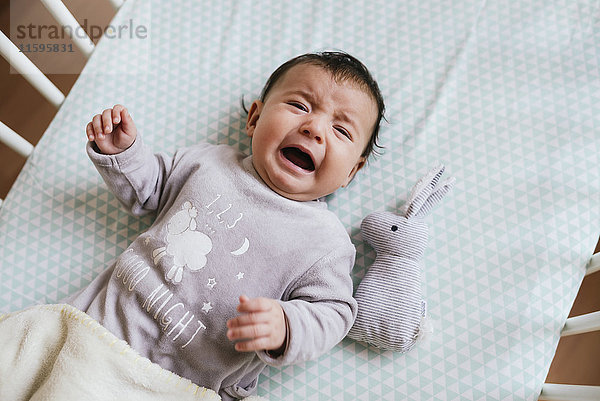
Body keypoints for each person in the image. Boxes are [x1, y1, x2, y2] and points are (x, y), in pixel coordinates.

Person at [71, 51, 385, 400]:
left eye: (341, 129)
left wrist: (287, 325)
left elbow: (334, 313)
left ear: (352, 172)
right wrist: (124, 154)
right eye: (299, 106)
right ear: (255, 117)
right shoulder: (208, 162)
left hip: (187, 383)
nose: (314, 129)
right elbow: (150, 189)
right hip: (98, 331)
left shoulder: (325, 242)